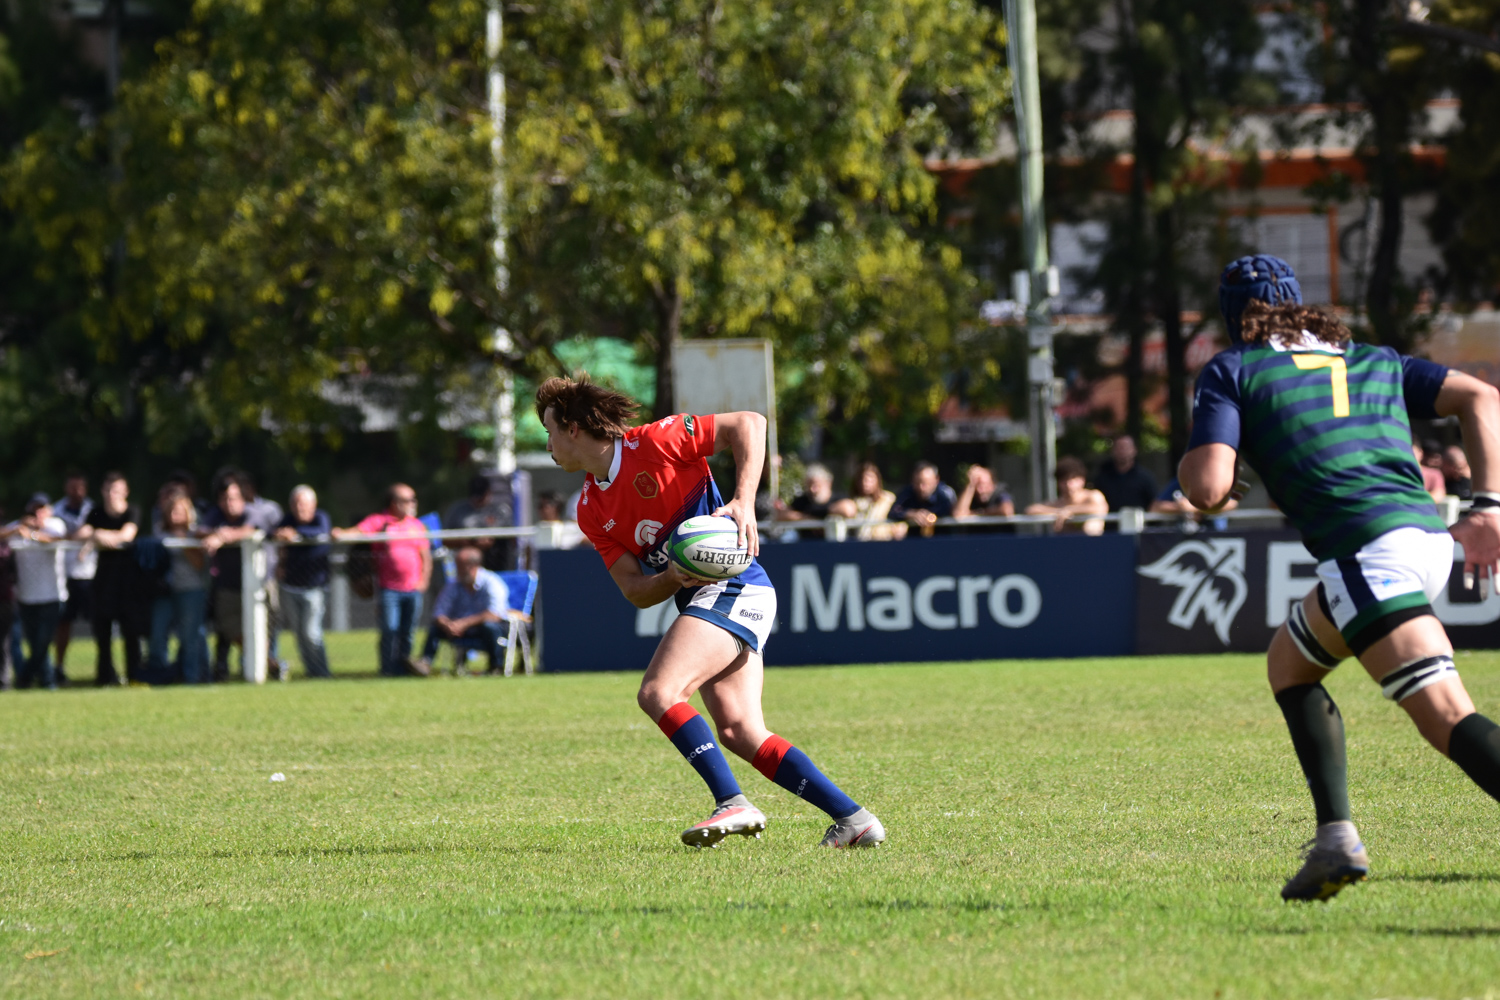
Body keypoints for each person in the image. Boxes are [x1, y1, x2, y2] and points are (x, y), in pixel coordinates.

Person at [1179, 253, 1500, 903]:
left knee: (1445, 716)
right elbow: (1481, 396)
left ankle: (1337, 838)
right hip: (1423, 539)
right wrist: (1490, 506)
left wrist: (1205, 477)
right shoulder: (1374, 359)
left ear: (1238, 319)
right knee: (1289, 666)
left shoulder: (1235, 367)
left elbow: (1209, 487)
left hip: (1367, 557)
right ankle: (1335, 839)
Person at [537, 375, 884, 848]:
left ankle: (732, 802)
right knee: (740, 731)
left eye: (550, 431)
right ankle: (853, 819)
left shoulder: (656, 440)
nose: (549, 444)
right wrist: (670, 578)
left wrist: (743, 499)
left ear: (573, 428)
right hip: (705, 594)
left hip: (735, 585)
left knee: (659, 691)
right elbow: (634, 591)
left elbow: (749, 423)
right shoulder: (590, 508)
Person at [333, 484, 431, 677]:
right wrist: (341, 534)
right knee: (389, 630)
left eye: (414, 499)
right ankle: (387, 670)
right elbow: (358, 532)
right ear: (395, 503)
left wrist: (423, 581)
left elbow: (425, 556)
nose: (413, 503)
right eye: (408, 500)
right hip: (389, 589)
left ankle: (405, 669)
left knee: (408, 632)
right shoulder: (380, 521)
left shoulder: (416, 525)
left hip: (413, 589)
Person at [75, 473, 142, 685]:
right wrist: (97, 536)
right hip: (103, 581)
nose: (112, 495)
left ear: (125, 492)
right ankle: (105, 678)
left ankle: (134, 676)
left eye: (117, 490)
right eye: (109, 490)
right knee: (102, 634)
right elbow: (80, 534)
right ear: (103, 491)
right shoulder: (95, 512)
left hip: (128, 581)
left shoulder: (133, 511)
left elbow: (126, 536)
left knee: (131, 633)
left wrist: (96, 537)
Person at [411, 545, 509, 673]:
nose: (456, 570)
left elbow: (494, 614)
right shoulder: (453, 585)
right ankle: (425, 664)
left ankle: (496, 667)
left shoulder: (492, 582)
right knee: (435, 629)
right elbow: (439, 612)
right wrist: (448, 625)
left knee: (490, 627)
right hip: (457, 629)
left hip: (486, 627)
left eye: (460, 566)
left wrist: (464, 623)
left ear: (473, 566)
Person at [5, 495, 68, 689]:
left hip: (52, 594)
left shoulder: (55, 525)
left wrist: (32, 534)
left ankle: (25, 677)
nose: (39, 515)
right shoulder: (17, 527)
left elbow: (56, 538)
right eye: (34, 511)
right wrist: (16, 529)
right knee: (35, 644)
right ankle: (46, 680)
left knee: (43, 642)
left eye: (42, 510)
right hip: (26, 595)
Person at [149, 488, 210, 684]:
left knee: (190, 638)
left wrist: (183, 541)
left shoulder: (195, 533)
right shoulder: (159, 533)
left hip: (190, 590)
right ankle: (159, 676)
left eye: (181, 511)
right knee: (158, 634)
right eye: (173, 510)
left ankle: (190, 677)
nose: (176, 515)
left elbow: (199, 564)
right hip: (164, 592)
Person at [200, 476, 257, 681]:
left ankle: (260, 666)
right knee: (227, 628)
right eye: (225, 498)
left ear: (243, 498)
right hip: (227, 585)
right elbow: (200, 531)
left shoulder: (252, 512)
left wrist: (223, 536)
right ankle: (266, 662)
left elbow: (251, 529)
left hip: (255, 585)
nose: (229, 503)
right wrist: (216, 532)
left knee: (259, 630)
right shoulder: (216, 515)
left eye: (233, 498)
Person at [274, 485, 333, 679]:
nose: (301, 508)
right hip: (290, 586)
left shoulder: (321, 517)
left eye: (305, 504)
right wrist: (282, 535)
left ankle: (322, 673)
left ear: (314, 505)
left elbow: (320, 531)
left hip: (315, 587)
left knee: (311, 633)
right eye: (297, 504)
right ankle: (312, 672)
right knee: (299, 634)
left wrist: (295, 534)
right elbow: (275, 532)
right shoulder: (288, 520)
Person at [53, 472, 95, 681]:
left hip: (89, 573)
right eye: (72, 487)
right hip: (65, 574)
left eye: (79, 487)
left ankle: (103, 665)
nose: (76, 492)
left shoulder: (93, 510)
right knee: (63, 624)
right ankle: (59, 666)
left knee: (97, 621)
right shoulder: (56, 511)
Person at [1024, 457, 1108, 535]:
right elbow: (1031, 510)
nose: (1068, 485)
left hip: (1091, 545)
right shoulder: (1059, 503)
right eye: (1064, 480)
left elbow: (1100, 508)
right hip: (1064, 546)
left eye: (1073, 479)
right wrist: (1059, 512)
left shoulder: (1092, 495)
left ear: (1082, 480)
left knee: (1093, 524)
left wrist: (1070, 510)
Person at [1092, 435, 1158, 512]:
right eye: (1119, 447)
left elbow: (1154, 504)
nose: (1122, 451)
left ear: (1134, 450)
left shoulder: (1145, 478)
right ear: (1112, 451)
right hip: (1110, 522)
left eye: (1126, 447)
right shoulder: (1102, 478)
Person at [889, 461, 957, 535]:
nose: (921, 488)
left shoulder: (945, 494)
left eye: (925, 483)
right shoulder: (907, 492)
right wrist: (911, 514)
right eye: (917, 483)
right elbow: (893, 511)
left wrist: (930, 516)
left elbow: (955, 514)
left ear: (936, 480)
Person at [846, 462, 904, 540]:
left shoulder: (888, 500)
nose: (865, 483)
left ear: (877, 480)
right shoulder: (853, 503)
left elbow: (898, 517)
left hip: (883, 543)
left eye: (870, 479)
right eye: (863, 479)